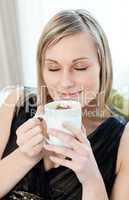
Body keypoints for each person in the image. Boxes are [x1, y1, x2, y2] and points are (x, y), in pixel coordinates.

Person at [0, 9, 129, 200]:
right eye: (53, 68)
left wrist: (90, 178)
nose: (66, 82)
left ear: (102, 66)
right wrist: (25, 156)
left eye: (80, 67)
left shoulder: (123, 140)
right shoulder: (16, 102)